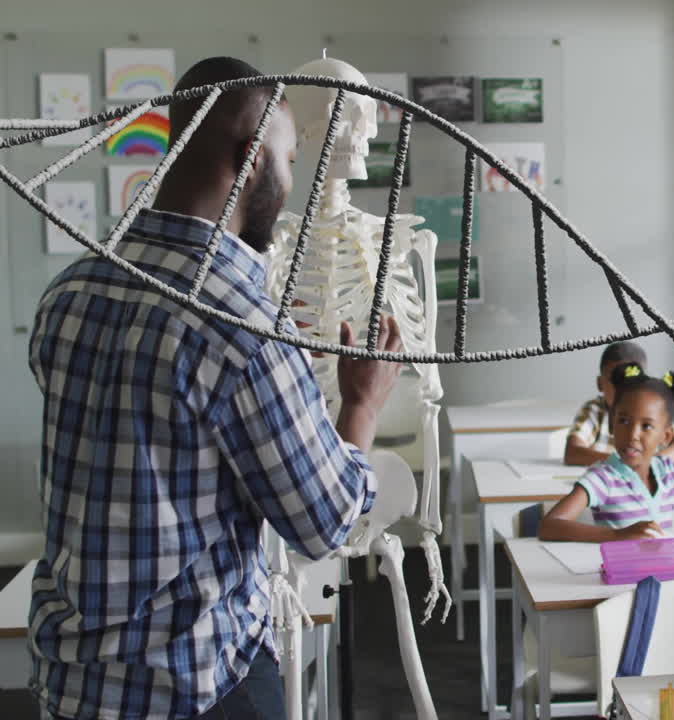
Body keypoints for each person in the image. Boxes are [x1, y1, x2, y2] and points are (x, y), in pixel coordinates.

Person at [26, 57, 403, 720]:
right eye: (288, 158)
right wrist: (363, 403)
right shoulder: (243, 324)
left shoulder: (72, 289)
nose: (291, 181)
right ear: (252, 156)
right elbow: (325, 522)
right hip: (196, 686)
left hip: (75, 686)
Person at [539, 364, 674, 541]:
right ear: (611, 425)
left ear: (665, 436)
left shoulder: (670, 473)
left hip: (664, 573)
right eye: (623, 421)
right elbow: (550, 526)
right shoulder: (603, 477)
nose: (632, 434)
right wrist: (618, 535)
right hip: (620, 577)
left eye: (646, 426)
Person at [563, 341, 674, 465]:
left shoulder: (653, 411)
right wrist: (626, 462)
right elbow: (572, 453)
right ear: (600, 383)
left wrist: (651, 462)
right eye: (615, 381)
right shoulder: (596, 410)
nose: (622, 389)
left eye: (632, 381)